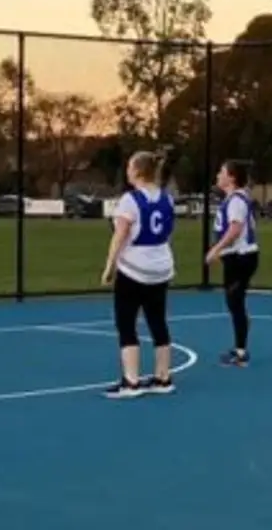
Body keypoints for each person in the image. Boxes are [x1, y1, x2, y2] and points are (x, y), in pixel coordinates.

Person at [100, 149, 177, 399]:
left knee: (126, 323)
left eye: (130, 167)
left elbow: (119, 235)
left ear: (138, 171)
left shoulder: (130, 200)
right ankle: (163, 378)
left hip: (135, 268)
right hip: (161, 266)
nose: (127, 171)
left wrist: (110, 266)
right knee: (158, 320)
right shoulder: (167, 198)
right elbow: (167, 233)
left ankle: (131, 381)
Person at [205, 159, 260, 367]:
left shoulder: (236, 200)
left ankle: (240, 351)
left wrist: (216, 250)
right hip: (236, 257)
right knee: (234, 302)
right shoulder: (234, 199)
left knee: (235, 301)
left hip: (242, 257)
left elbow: (235, 229)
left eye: (222, 172)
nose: (218, 175)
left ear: (232, 177)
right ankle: (239, 348)